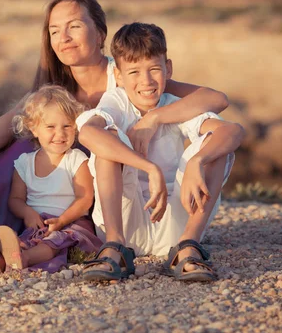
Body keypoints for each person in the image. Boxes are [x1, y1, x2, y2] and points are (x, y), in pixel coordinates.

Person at [0, 0, 230, 251]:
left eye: (74, 26)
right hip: (63, 199)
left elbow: (216, 99)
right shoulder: (53, 93)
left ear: (100, 34)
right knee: (18, 149)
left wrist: (155, 119)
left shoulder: (129, 75)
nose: (64, 38)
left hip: (116, 198)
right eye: (55, 31)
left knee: (106, 141)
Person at [77, 22, 244, 282]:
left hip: (174, 228)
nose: (146, 81)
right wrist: (149, 168)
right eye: (133, 72)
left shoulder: (174, 106)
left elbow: (232, 130)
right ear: (118, 76)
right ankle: (114, 247)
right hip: (126, 222)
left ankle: (188, 246)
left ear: (168, 68)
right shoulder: (117, 101)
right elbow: (88, 133)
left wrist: (198, 160)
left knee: (214, 145)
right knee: (107, 138)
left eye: (154, 69)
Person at [0, 85, 101, 273]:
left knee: (52, 243)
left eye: (67, 126)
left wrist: (62, 220)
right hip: (38, 225)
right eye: (50, 127)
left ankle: (23, 259)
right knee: (25, 241)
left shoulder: (76, 160)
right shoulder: (24, 163)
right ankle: (0, 259)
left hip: (71, 224)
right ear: (34, 128)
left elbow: (85, 199)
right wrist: (27, 213)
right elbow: (15, 200)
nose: (60, 133)